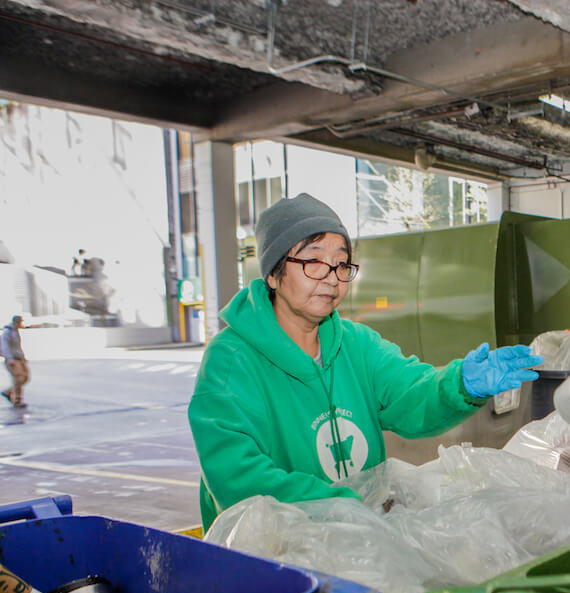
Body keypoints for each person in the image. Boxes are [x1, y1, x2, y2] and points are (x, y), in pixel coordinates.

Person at [188, 193, 543, 529]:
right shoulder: (231, 362)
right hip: (273, 562)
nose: (332, 277)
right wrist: (347, 507)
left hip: (360, 541)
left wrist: (460, 384)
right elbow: (238, 480)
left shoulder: (356, 344)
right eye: (314, 261)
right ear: (272, 274)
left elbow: (411, 393)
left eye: (342, 263)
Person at [0, 315, 28, 409]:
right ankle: (17, 400)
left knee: (25, 377)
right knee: (18, 378)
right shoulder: (7, 331)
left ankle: (9, 392)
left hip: (19, 358)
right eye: (20, 322)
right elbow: (5, 346)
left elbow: (18, 346)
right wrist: (10, 359)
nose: (21, 324)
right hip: (12, 359)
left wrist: (23, 357)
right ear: (16, 322)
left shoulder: (15, 331)